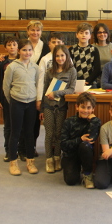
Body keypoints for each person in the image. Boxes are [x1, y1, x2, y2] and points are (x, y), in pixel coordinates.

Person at [3, 39, 40, 176]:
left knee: (29, 133)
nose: (27, 52)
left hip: (31, 103)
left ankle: (30, 161)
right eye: (24, 50)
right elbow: (6, 87)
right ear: (19, 51)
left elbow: (37, 85)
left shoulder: (35, 67)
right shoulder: (12, 67)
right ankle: (13, 161)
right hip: (16, 102)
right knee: (15, 132)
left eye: (29, 50)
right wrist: (13, 100)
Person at [40, 45, 76, 173]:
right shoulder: (50, 71)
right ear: (54, 57)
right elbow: (44, 90)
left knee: (59, 134)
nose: (60, 58)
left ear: (67, 57)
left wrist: (56, 93)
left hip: (61, 107)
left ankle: (57, 158)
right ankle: (49, 159)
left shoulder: (71, 71)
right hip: (49, 106)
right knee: (49, 134)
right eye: (57, 56)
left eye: (62, 55)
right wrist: (42, 109)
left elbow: (71, 89)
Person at [60, 92, 101, 188]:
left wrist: (94, 120)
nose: (85, 110)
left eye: (89, 108)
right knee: (71, 181)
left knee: (85, 145)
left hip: (86, 153)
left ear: (93, 109)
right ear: (77, 107)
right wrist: (80, 139)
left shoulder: (95, 121)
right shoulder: (68, 122)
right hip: (70, 154)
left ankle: (87, 174)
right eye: (83, 107)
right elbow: (63, 144)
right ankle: (75, 168)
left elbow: (91, 139)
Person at [0, 36, 19, 162]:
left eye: (14, 45)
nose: (12, 47)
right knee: (8, 125)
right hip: (6, 98)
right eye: (9, 45)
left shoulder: (23, 59)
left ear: (18, 47)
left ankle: (20, 149)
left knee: (19, 125)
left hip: (20, 96)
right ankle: (8, 150)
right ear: (5, 48)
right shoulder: (2, 62)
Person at [36, 32, 64, 113]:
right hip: (48, 95)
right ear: (49, 44)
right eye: (53, 42)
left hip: (63, 94)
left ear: (63, 44)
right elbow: (41, 80)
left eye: (59, 42)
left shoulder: (67, 58)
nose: (56, 44)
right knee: (49, 121)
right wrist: (39, 99)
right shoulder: (44, 59)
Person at [69, 22, 102, 88]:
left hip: (90, 83)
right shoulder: (71, 49)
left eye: (86, 33)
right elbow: (69, 67)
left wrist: (88, 81)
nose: (83, 35)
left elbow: (97, 69)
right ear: (77, 35)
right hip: (75, 82)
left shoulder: (94, 50)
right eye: (81, 33)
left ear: (90, 36)